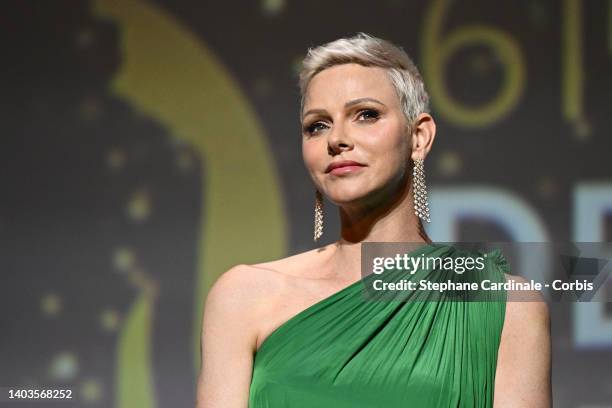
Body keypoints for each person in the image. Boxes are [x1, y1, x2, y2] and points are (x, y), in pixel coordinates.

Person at [196, 32, 551, 407]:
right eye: (317, 125)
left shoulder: (507, 307)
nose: (337, 139)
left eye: (366, 115)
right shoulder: (245, 296)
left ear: (419, 137)